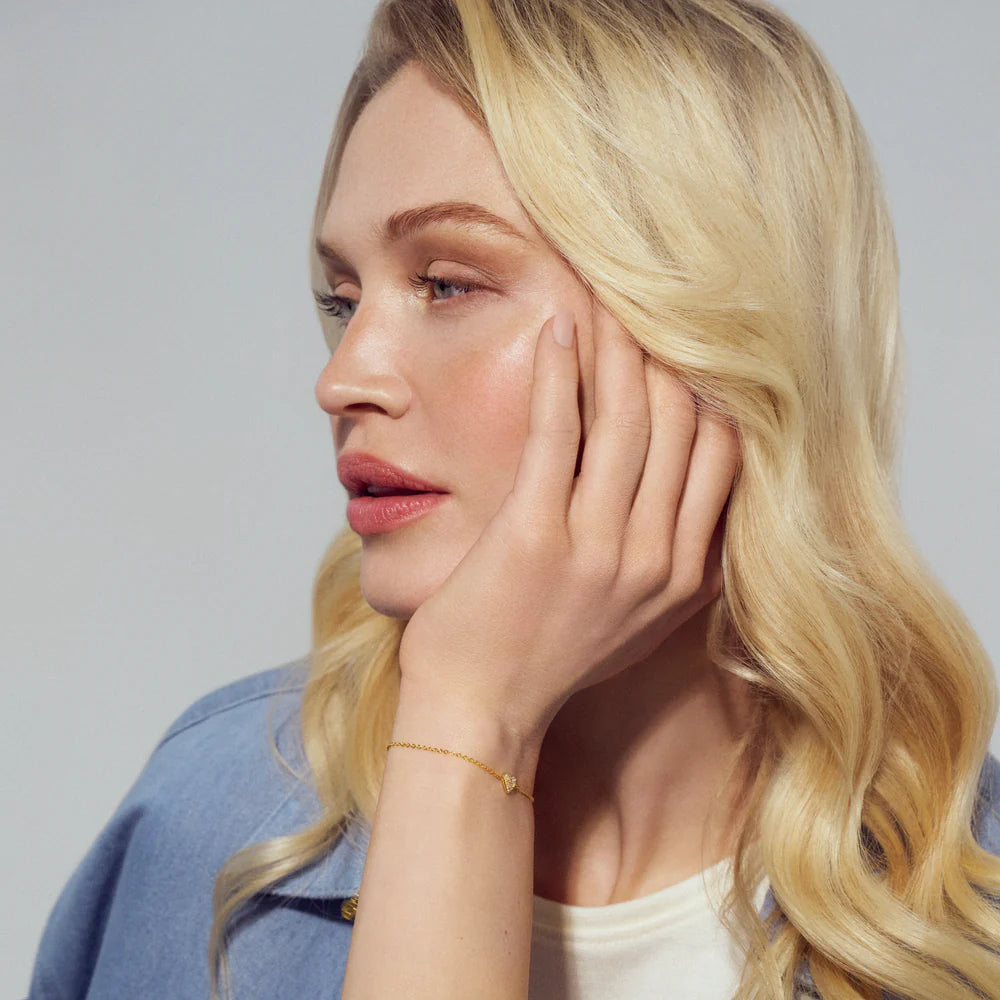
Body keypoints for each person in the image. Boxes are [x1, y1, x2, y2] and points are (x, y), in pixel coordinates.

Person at [28, 1, 1000, 998]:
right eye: (341, 299)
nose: (343, 377)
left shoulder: (967, 918)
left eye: (445, 283)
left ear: (700, 337)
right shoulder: (210, 825)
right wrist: (466, 722)